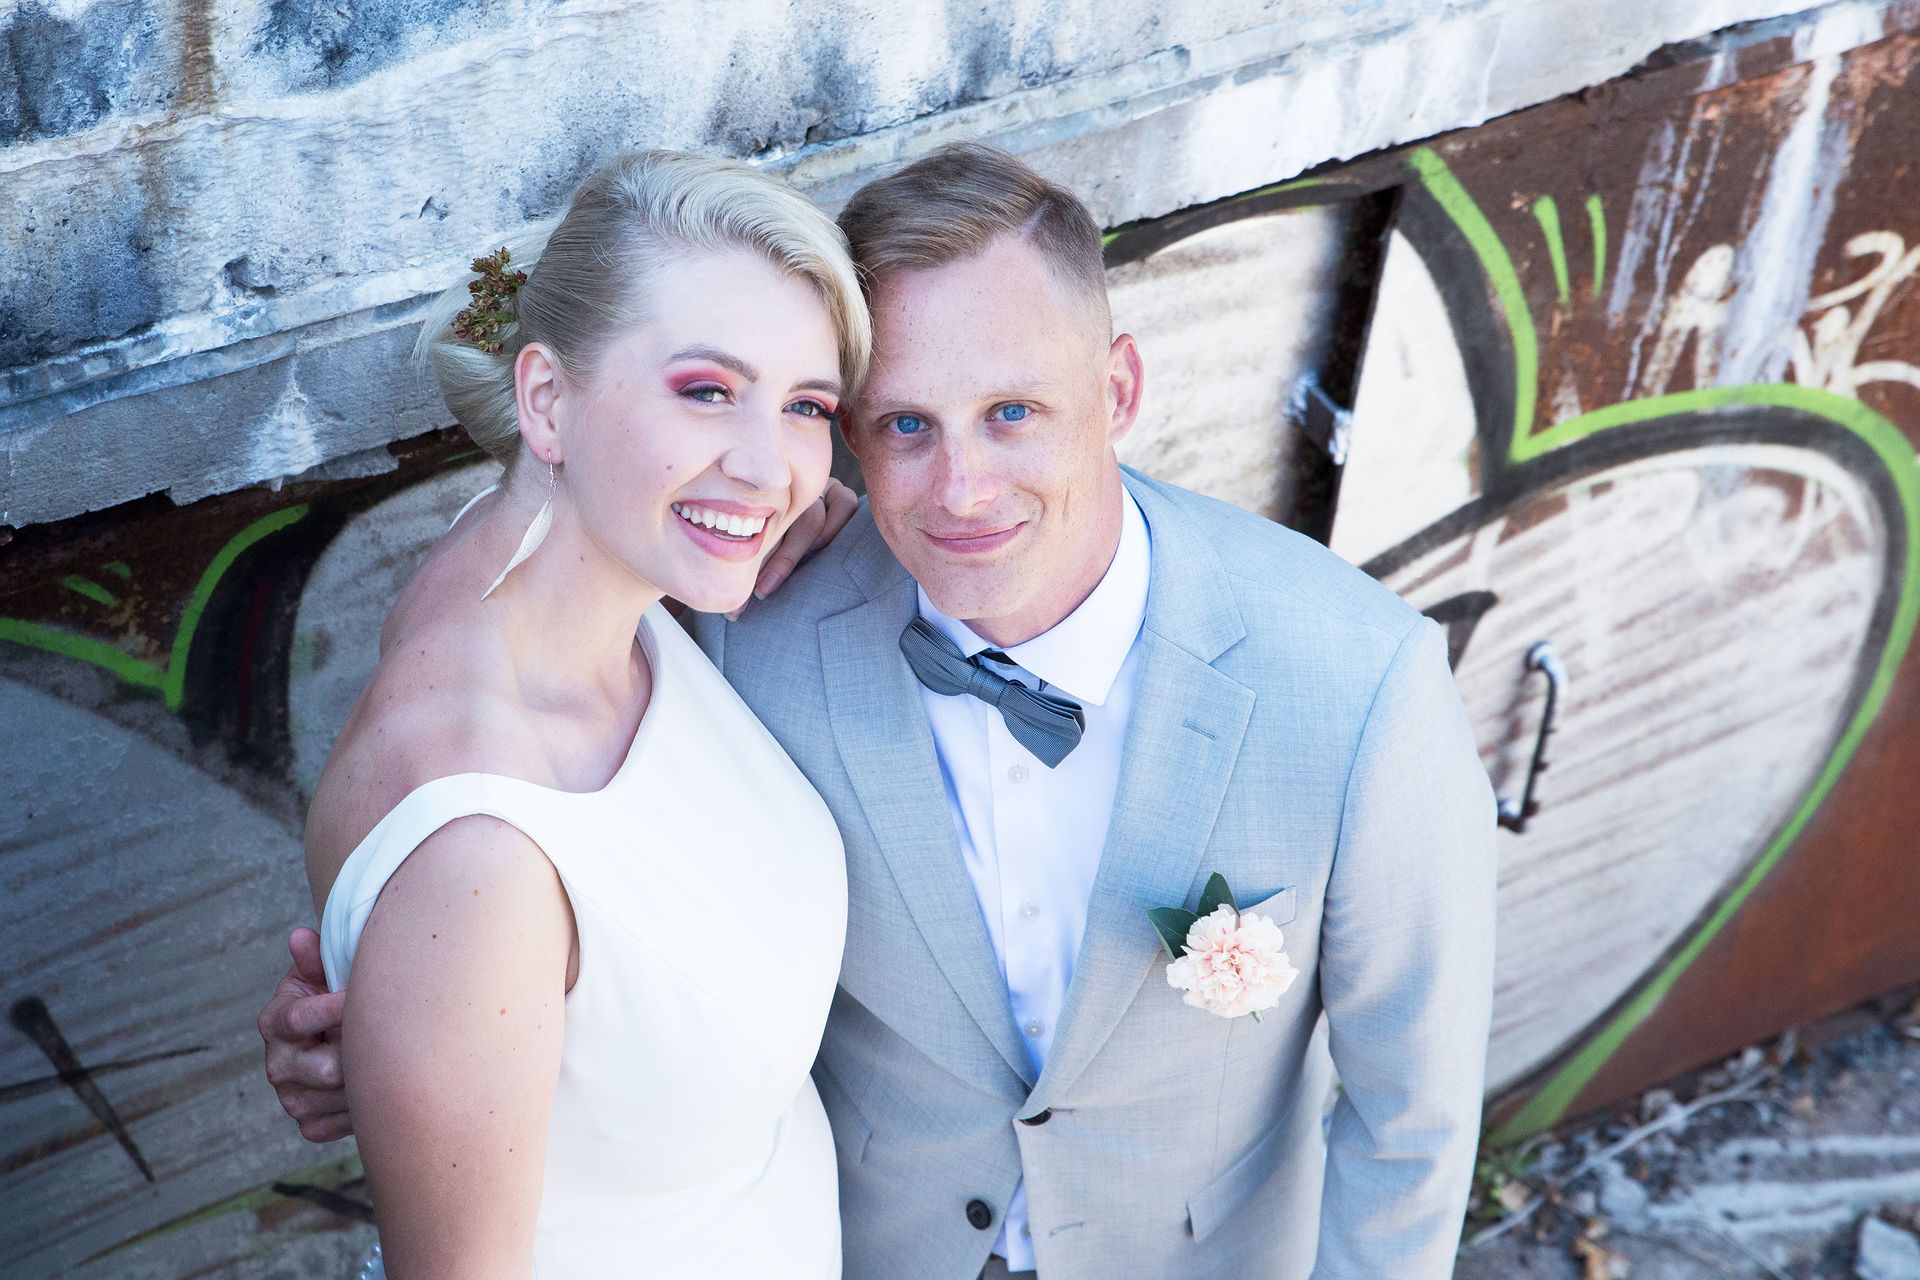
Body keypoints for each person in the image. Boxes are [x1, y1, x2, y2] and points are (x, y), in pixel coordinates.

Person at [264, 142, 1497, 1280]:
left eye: (1012, 412)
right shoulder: (747, 620)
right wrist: (406, 1036)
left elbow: (1413, 1122)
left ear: (1117, 388)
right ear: (858, 434)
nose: (961, 488)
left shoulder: (1357, 685)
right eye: (906, 424)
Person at [290, 148, 871, 1278]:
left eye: (806, 406)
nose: (773, 467)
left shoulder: (542, 566)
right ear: (547, 400)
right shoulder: (480, 853)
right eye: (706, 390)